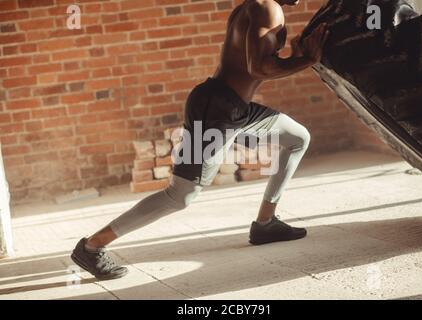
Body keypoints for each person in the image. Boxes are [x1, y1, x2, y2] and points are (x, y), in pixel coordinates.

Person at [71, 0, 329, 280]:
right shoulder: (267, 7)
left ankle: (265, 223)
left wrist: (295, 54)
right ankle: (92, 246)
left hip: (237, 109)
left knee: (297, 137)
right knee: (181, 195)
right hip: (216, 110)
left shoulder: (256, 7)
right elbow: (259, 68)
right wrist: (305, 59)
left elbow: (253, 63)